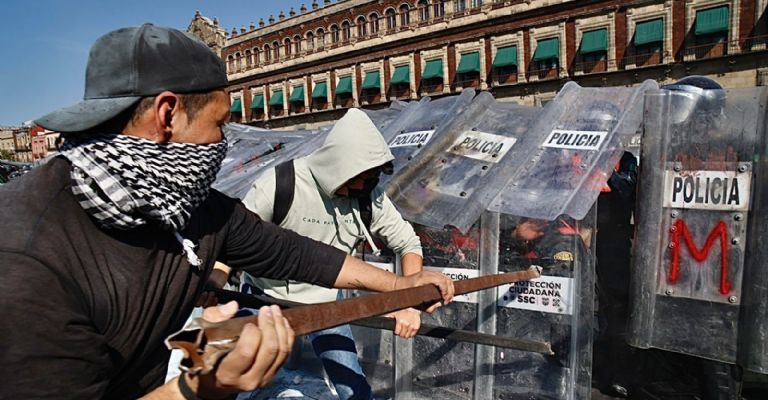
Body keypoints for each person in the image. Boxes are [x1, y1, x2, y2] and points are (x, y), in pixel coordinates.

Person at [0, 24, 454, 400]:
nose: (224, 141)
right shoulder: (26, 259)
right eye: (219, 123)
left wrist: (402, 285)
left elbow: (297, 255)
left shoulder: (189, 204)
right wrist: (204, 385)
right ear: (168, 114)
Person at [218, 108, 427, 400]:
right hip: (264, 299)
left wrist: (410, 300)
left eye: (369, 178)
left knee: (354, 387)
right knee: (240, 382)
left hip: (325, 302)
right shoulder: (281, 183)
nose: (361, 185)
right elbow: (233, 239)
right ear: (337, 166)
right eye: (357, 177)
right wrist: (214, 285)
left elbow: (408, 243)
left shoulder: (368, 194)